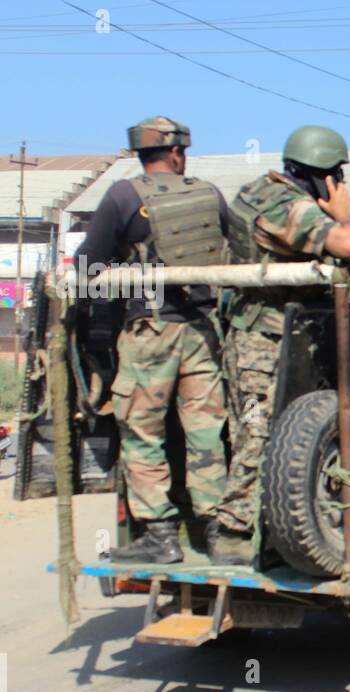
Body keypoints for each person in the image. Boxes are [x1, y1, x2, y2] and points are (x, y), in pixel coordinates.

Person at [210, 125, 350, 565]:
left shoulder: (261, 191)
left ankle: (263, 531)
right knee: (257, 435)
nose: (340, 185)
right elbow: (341, 239)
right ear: (322, 176)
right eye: (337, 177)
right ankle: (233, 534)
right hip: (262, 340)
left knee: (273, 434)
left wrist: (349, 252)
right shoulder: (289, 205)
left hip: (273, 334)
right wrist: (343, 219)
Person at [74, 116, 230, 565]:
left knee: (142, 431)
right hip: (203, 331)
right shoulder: (209, 193)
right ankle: (218, 534)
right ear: (178, 153)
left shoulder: (124, 195)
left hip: (150, 329)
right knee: (206, 434)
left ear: (140, 156)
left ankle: (161, 535)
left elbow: (88, 267)